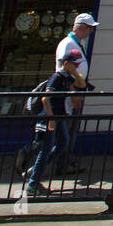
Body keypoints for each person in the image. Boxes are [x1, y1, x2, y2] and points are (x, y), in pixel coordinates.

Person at [23, 57, 79, 195]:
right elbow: (45, 98)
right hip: (50, 118)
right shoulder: (56, 77)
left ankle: (34, 171)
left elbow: (79, 88)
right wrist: (51, 118)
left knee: (62, 143)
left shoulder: (67, 78)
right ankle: (33, 184)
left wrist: (77, 76)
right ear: (66, 63)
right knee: (46, 148)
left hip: (60, 116)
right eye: (74, 65)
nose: (76, 67)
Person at [53, 12, 96, 175]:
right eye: (89, 28)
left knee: (71, 130)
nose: (91, 31)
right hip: (68, 94)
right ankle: (31, 154)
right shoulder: (67, 44)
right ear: (79, 28)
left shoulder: (79, 43)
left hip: (77, 90)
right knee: (65, 131)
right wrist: (73, 92)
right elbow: (62, 71)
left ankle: (65, 162)